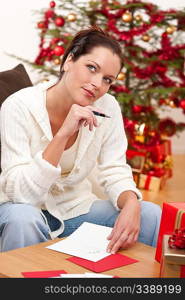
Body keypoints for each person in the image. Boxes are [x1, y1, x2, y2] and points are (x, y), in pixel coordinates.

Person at [0, 26, 161, 252]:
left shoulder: (107, 107)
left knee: (150, 214)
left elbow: (114, 169)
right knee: (24, 218)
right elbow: (22, 195)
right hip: (20, 209)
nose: (97, 84)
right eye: (91, 68)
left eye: (107, 79)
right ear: (69, 61)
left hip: (74, 211)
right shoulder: (18, 107)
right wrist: (63, 133)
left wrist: (132, 203)